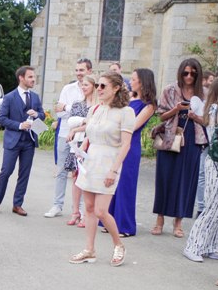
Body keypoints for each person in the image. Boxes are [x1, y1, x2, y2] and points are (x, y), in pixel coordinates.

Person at [69, 72, 135, 266]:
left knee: (100, 210)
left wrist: (113, 170)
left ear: (116, 88)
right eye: (97, 85)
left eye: (103, 86)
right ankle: (89, 250)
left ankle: (119, 245)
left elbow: (126, 145)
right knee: (89, 208)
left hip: (109, 162)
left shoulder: (126, 112)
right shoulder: (95, 109)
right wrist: (81, 149)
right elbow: (90, 133)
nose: (98, 89)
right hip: (91, 161)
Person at [151, 58, 208, 237]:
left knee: (186, 180)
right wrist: (176, 109)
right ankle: (159, 220)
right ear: (180, 73)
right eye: (185, 73)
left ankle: (178, 222)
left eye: (193, 74)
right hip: (170, 137)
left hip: (192, 138)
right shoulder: (170, 90)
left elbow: (208, 121)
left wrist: (195, 117)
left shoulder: (204, 93)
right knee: (165, 178)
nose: (189, 77)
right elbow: (161, 116)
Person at [104, 68, 156, 237]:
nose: (130, 82)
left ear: (142, 82)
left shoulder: (148, 105)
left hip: (130, 145)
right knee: (113, 182)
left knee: (125, 184)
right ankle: (110, 221)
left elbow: (133, 126)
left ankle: (125, 225)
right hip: (116, 143)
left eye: (133, 79)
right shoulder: (128, 98)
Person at [0, 66, 46, 216]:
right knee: (6, 171)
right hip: (13, 141)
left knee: (24, 174)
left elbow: (42, 115)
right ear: (21, 78)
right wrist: (20, 125)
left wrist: (37, 114)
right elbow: (1, 118)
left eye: (34, 77)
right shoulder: (9, 97)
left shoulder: (35, 97)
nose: (33, 79)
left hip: (29, 141)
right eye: (30, 77)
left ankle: (17, 204)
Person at [46, 58, 93, 218]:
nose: (79, 73)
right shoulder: (68, 89)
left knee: (80, 172)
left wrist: (68, 107)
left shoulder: (93, 89)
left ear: (89, 71)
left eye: (82, 70)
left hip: (83, 137)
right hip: (64, 134)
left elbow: (90, 113)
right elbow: (59, 113)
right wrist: (76, 113)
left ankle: (79, 209)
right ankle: (57, 205)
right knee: (61, 171)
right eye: (77, 70)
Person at [183, 76, 218, 263]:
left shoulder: (213, 108)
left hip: (215, 163)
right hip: (216, 164)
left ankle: (212, 246)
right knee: (212, 207)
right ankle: (194, 246)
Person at [62, 74, 99, 227]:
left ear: (94, 86)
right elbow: (71, 121)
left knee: (87, 177)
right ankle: (75, 211)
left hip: (90, 141)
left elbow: (94, 124)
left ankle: (86, 213)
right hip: (76, 142)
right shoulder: (78, 104)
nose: (83, 87)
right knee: (75, 176)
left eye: (86, 85)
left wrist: (78, 127)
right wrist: (81, 123)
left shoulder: (99, 106)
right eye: (82, 85)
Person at [197, 70, 217, 216]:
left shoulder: (210, 107)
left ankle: (203, 207)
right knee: (204, 175)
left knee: (203, 175)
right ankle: (203, 207)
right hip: (212, 147)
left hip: (209, 146)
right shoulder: (215, 108)